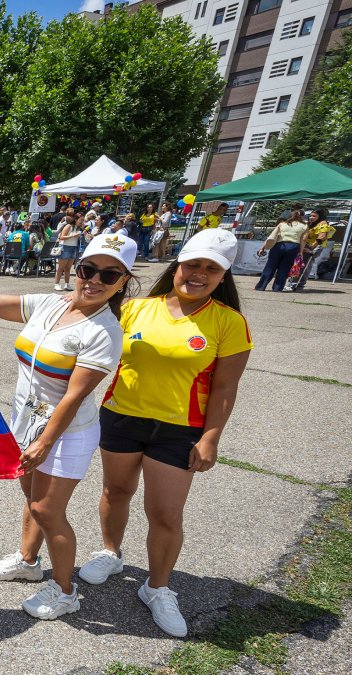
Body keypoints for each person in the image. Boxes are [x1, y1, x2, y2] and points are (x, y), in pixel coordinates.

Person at [0, 233, 130, 620]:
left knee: (47, 509)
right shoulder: (51, 303)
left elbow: (73, 396)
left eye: (109, 276)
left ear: (123, 282)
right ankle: (29, 562)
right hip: (28, 419)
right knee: (31, 496)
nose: (95, 280)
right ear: (77, 268)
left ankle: (64, 591)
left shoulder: (104, 331)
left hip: (66, 432)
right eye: (88, 269)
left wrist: (45, 441)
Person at [80, 228, 251, 638]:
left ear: (222, 276)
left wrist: (211, 438)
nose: (199, 274)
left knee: (165, 514)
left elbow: (226, 387)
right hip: (121, 418)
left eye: (211, 269)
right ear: (177, 265)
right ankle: (110, 553)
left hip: (180, 430)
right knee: (115, 492)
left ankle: (157, 588)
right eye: (193, 264)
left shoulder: (229, 322)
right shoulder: (135, 308)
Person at [255, 210, 307, 292]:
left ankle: (260, 287)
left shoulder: (282, 224)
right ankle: (277, 288)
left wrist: (263, 248)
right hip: (293, 247)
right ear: (302, 217)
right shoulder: (304, 226)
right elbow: (303, 239)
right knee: (284, 269)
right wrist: (301, 252)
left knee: (270, 267)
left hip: (279, 246)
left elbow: (272, 236)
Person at [294, 208, 334, 291]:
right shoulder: (312, 223)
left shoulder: (323, 223)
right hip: (306, 245)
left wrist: (312, 248)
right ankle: (294, 282)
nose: (311, 217)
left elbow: (322, 236)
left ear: (320, 216)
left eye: (314, 216)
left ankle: (299, 285)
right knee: (299, 264)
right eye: (310, 216)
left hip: (314, 246)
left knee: (305, 266)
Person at [54, 213, 83, 291]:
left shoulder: (78, 228)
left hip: (74, 247)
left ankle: (67, 284)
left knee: (68, 268)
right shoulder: (68, 226)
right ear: (76, 220)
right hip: (65, 247)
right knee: (61, 267)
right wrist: (73, 235)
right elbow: (62, 237)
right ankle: (57, 284)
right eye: (81, 220)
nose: (82, 222)